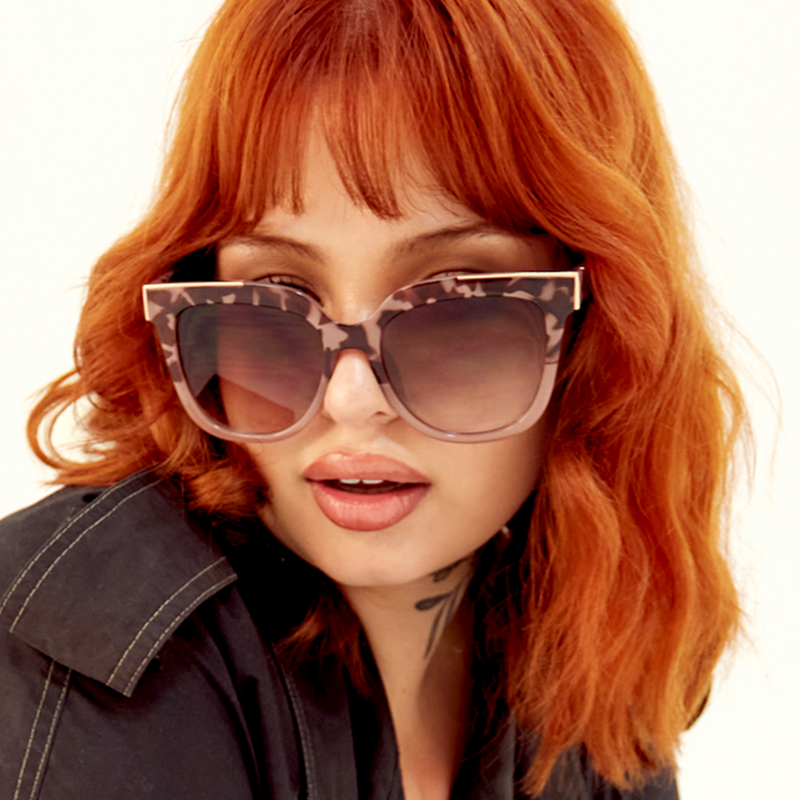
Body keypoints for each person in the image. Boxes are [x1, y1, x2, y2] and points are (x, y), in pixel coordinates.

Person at [0, 0, 745, 798]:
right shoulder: (89, 649)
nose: (351, 400)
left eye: (454, 302)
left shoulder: (582, 636)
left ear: (599, 332)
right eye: (278, 295)